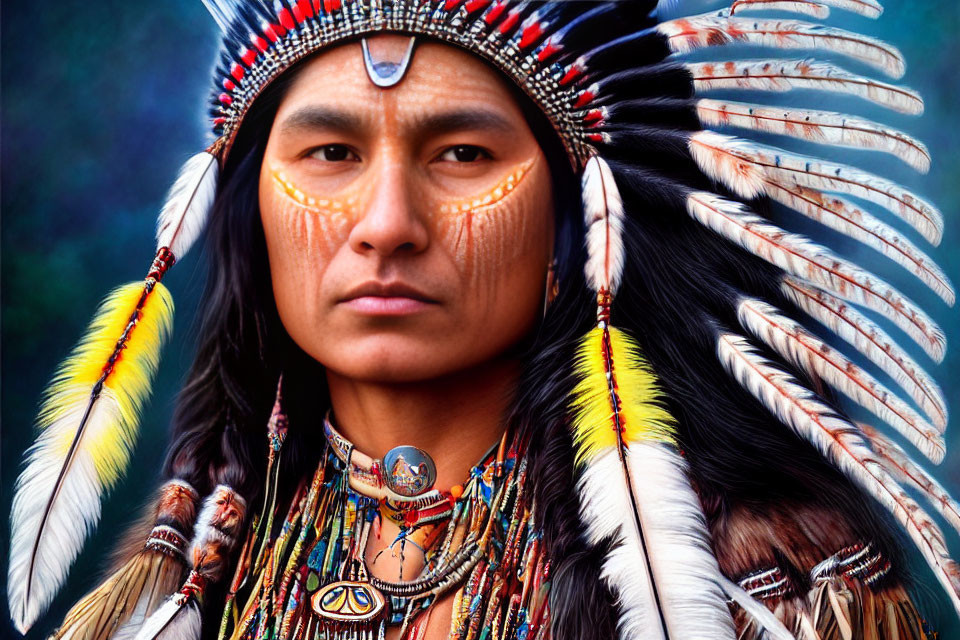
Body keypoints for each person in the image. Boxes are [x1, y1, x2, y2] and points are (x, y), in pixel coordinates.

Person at [7, 1, 959, 639]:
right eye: (331, 151)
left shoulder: (771, 589)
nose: (387, 226)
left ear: (575, 224)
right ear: (252, 211)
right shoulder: (192, 584)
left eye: (462, 154)